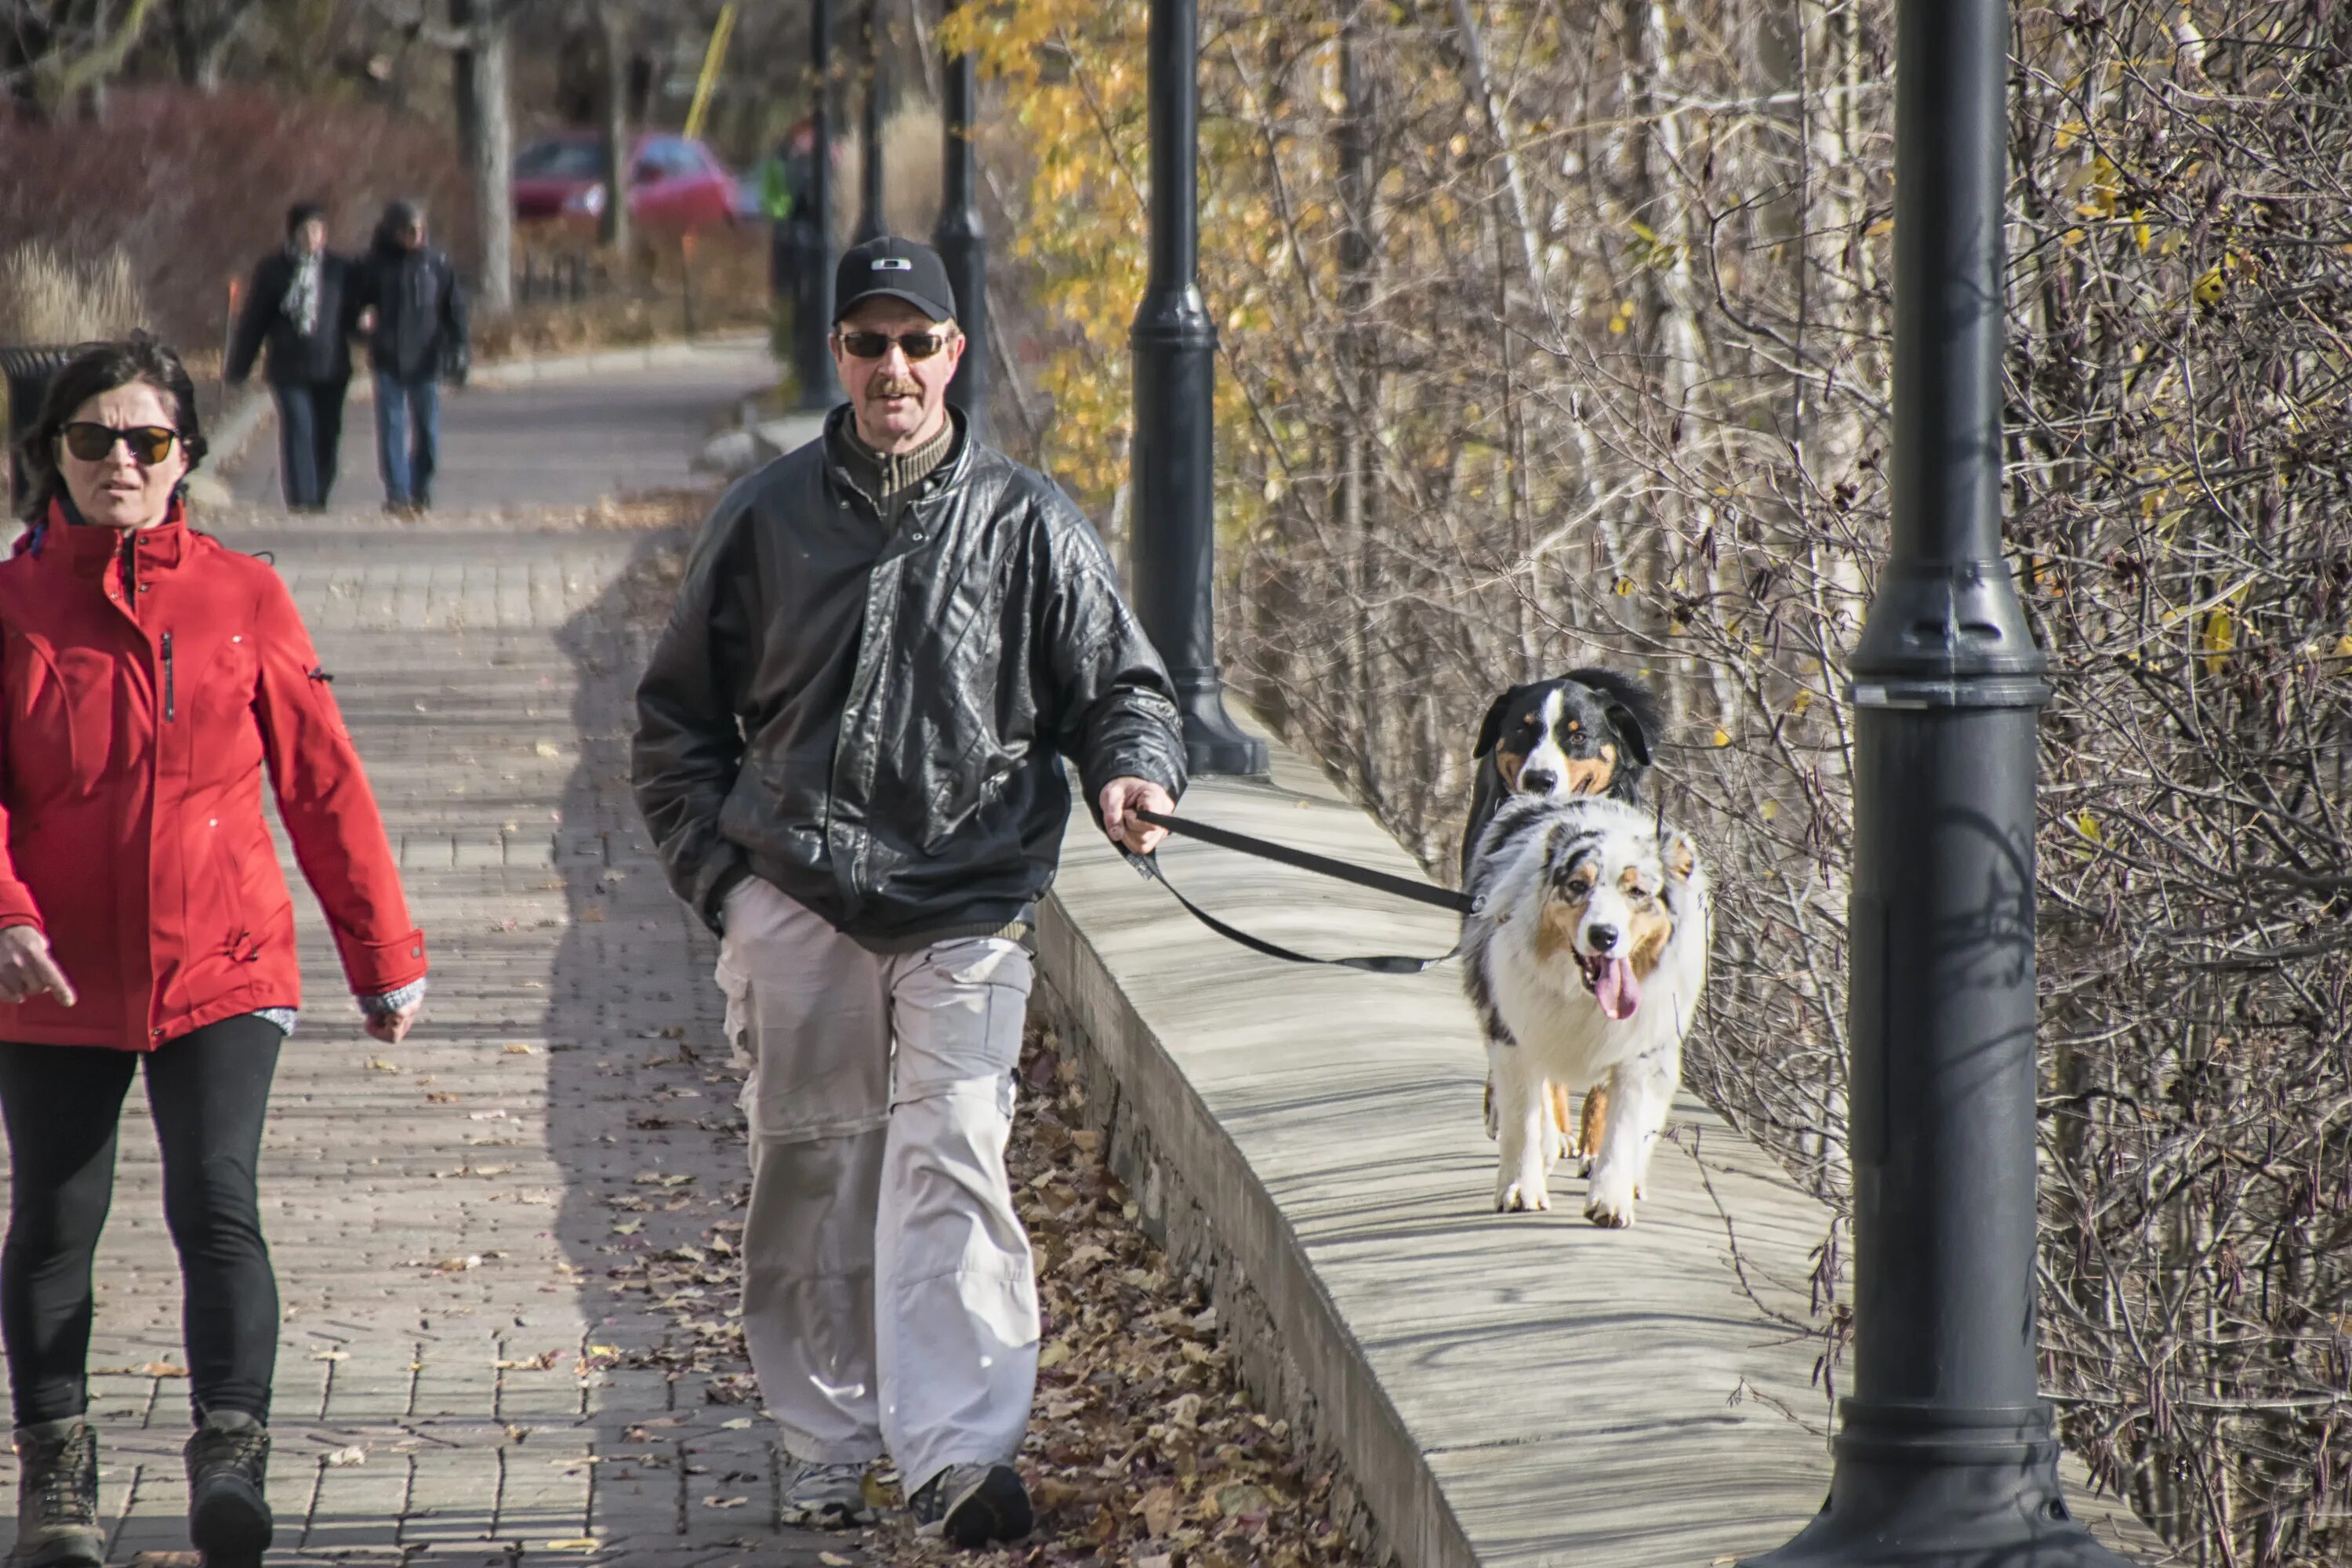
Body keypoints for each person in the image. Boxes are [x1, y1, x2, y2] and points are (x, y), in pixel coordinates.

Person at [632, 236, 1184, 1550]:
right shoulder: (765, 519)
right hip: (798, 904)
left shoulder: (1028, 524)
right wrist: (730, 890)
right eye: (867, 342)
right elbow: (674, 724)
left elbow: (1127, 690)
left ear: (954, 354)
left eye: (915, 341)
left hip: (970, 908)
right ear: (839, 356)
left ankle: (957, 1453)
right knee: (814, 1177)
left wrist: (1131, 775)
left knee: (952, 1160)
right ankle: (825, 1434)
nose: (893, 365)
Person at [0, 336, 430, 1568]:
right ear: (55, 457)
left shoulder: (242, 595)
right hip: (53, 973)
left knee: (216, 1200)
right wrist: (7, 915)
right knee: (54, 1220)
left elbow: (322, 780)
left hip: (222, 961)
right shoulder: (11, 608)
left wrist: (380, 952)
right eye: (94, 439)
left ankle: (230, 1455)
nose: (120, 461)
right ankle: (59, 1481)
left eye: (146, 440)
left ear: (185, 456)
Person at [225, 201, 355, 513]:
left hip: (331, 367)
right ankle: (302, 499)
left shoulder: (340, 270)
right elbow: (255, 320)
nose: (313, 237)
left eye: (319, 230)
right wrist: (239, 367)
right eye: (306, 230)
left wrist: (368, 326)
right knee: (298, 428)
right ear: (294, 234)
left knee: (327, 433)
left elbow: (353, 315)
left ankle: (319, 493)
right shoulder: (274, 270)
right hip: (288, 367)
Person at [350, 200, 468, 517]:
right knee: (392, 426)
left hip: (426, 360)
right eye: (408, 230)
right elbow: (354, 307)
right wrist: (363, 326)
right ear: (393, 231)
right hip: (388, 357)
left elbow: (454, 310)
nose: (415, 236)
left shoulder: (436, 265)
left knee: (427, 430)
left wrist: (458, 349)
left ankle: (421, 486)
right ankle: (397, 493)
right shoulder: (373, 266)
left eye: (419, 230)